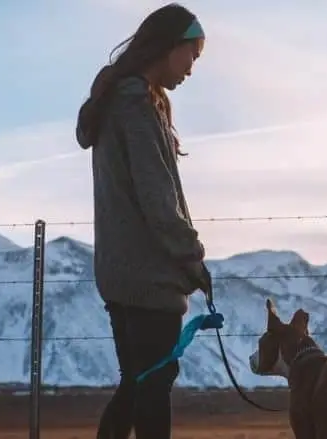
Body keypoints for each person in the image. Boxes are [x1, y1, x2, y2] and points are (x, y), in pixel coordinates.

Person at [74, 3, 211, 439]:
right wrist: (192, 259)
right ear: (169, 45)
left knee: (137, 383)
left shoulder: (123, 102)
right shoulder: (136, 107)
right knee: (152, 386)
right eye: (192, 53)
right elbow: (158, 199)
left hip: (120, 273)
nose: (192, 67)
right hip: (149, 275)